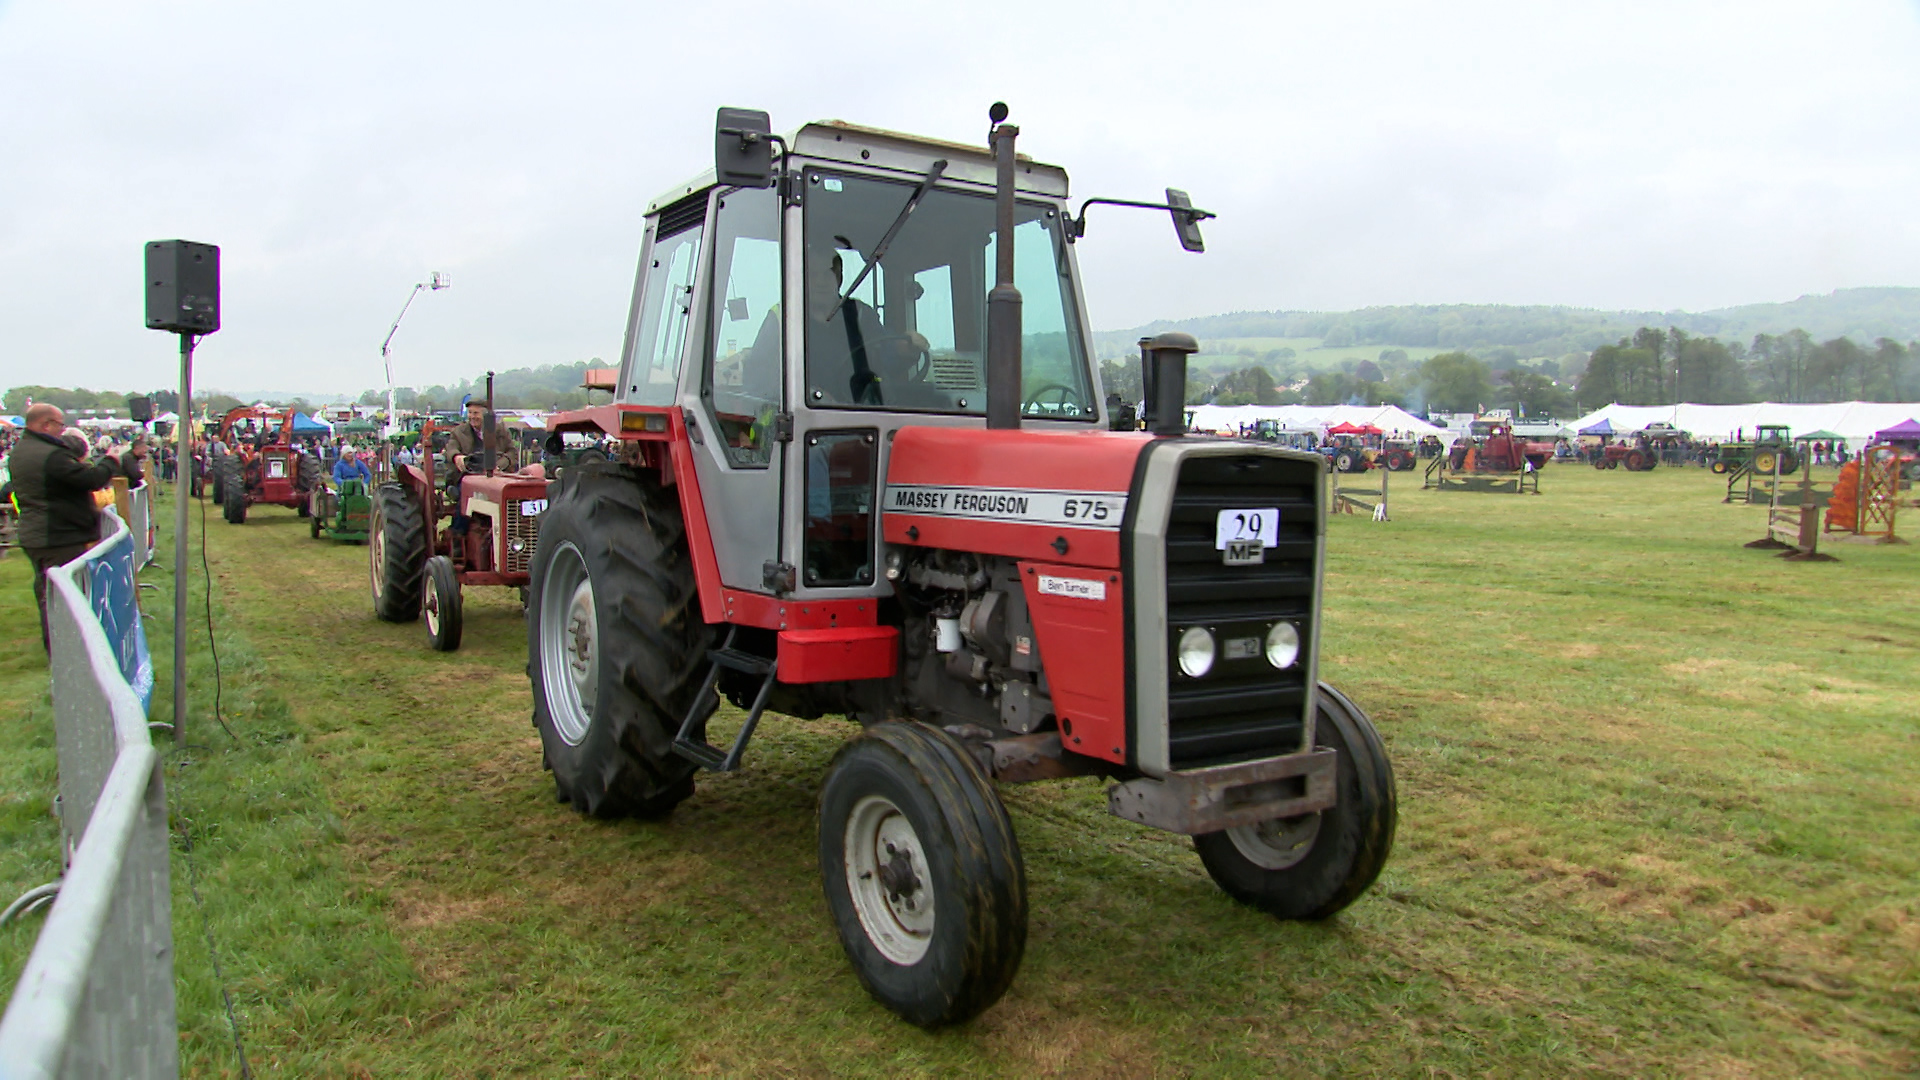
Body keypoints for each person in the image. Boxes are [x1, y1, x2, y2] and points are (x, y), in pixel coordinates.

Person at [12, 404, 119, 652]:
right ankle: (65, 651)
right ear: (45, 425)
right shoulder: (51, 456)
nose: (63, 431)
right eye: (60, 425)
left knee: (48, 593)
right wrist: (111, 461)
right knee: (65, 598)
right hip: (58, 536)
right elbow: (90, 480)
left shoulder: (22, 451)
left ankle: (60, 648)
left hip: (38, 532)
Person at [444, 399, 518, 474]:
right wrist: (456, 456)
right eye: (470, 413)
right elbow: (451, 448)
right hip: (467, 475)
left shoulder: (501, 431)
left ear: (485, 415)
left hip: (497, 475)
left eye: (476, 413)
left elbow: (512, 452)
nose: (472, 416)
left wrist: (499, 465)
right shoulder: (458, 431)